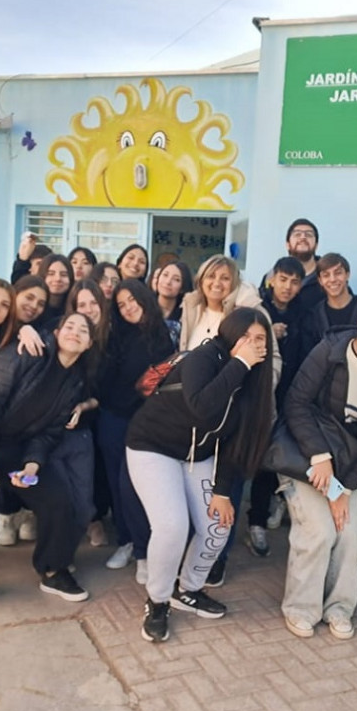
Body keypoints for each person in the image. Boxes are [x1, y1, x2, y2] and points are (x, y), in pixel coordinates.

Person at [126, 308, 275, 642]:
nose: (252, 345)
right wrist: (241, 363)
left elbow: (234, 443)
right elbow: (203, 406)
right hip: (153, 446)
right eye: (245, 336)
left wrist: (222, 492)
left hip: (199, 456)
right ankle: (158, 600)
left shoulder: (255, 381)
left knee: (218, 525)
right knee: (172, 525)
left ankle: (189, 589)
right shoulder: (203, 358)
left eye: (260, 340)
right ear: (230, 333)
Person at [279, 297, 357, 640]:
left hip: (348, 466)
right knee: (320, 531)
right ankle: (301, 608)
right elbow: (296, 403)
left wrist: (345, 490)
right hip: (307, 457)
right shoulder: (330, 351)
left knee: (350, 534)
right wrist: (319, 455)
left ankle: (338, 608)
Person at [0, 313, 96, 606]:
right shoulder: (26, 353)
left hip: (14, 451)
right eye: (69, 325)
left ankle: (54, 570)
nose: (75, 332)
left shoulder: (74, 382)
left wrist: (32, 464)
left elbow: (49, 433)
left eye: (84, 330)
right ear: (56, 332)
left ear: (89, 343)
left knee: (57, 498)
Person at [178, 254, 279, 586]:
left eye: (225, 278)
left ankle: (217, 557)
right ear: (201, 280)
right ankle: (195, 551)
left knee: (228, 486)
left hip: (235, 411)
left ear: (234, 282)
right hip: (195, 415)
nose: (217, 284)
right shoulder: (192, 307)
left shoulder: (248, 314)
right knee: (198, 491)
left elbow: (272, 359)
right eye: (211, 277)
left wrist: (251, 385)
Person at [98, 281, 175, 580]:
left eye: (133, 300)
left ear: (145, 298)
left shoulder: (162, 336)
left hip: (146, 422)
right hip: (112, 418)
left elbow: (161, 382)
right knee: (117, 486)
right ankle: (126, 542)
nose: (129, 307)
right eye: (121, 304)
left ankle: (144, 551)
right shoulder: (113, 335)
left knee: (133, 486)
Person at [248, 256, 306, 557]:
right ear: (272, 279)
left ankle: (279, 503)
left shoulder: (303, 312)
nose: (288, 286)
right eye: (283, 279)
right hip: (261, 396)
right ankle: (255, 521)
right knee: (260, 458)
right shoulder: (259, 310)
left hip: (293, 397)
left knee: (283, 456)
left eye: (295, 281)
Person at [300, 253, 357, 360]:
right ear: (320, 281)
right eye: (326, 275)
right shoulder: (313, 317)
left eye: (338, 273)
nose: (332, 279)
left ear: (347, 275)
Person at [265, 218, 324, 313]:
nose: (303, 238)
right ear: (287, 244)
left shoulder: (328, 277)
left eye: (308, 234)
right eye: (297, 234)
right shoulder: (270, 276)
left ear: (316, 245)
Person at [155, 260, 193, 347]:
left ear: (183, 287)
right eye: (165, 275)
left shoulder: (186, 316)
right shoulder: (144, 307)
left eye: (176, 279)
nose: (168, 282)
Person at [34, 253, 74, 332]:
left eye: (63, 274)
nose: (58, 279)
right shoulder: (34, 305)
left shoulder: (75, 306)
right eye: (51, 274)